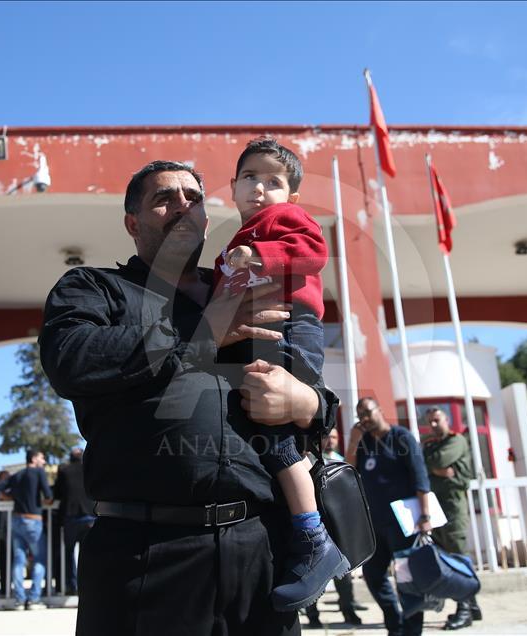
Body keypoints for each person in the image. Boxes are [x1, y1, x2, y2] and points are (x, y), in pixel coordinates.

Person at [39, 159, 339, 635]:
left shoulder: (244, 285)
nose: (182, 205)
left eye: (192, 197)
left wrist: (307, 405)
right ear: (132, 223)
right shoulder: (95, 287)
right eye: (164, 198)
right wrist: (201, 332)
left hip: (260, 554)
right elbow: (72, 359)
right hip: (143, 557)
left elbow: (311, 388)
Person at [215, 137, 346, 609]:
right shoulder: (235, 240)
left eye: (273, 181)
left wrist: (258, 258)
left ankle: (315, 538)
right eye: (250, 178)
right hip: (258, 330)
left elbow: (313, 254)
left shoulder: (281, 221)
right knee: (265, 425)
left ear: (290, 196)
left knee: (277, 428)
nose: (259, 188)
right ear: (232, 187)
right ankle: (305, 534)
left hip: (292, 326)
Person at [346, 397, 431, 636]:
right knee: (373, 575)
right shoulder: (364, 444)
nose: (363, 418)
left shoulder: (401, 437)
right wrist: (353, 441)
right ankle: (395, 623)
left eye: (367, 411)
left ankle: (412, 630)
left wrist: (425, 516)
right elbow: (350, 470)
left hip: (405, 521)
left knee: (407, 579)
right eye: (359, 413)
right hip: (375, 523)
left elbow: (420, 477)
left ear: (380, 410)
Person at [422, 407, 480, 630]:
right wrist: (436, 468)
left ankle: (464, 609)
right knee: (445, 555)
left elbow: (439, 459)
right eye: (430, 422)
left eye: (437, 420)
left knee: (457, 556)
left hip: (454, 505)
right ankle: (473, 607)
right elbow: (427, 462)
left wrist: (433, 465)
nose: (434, 425)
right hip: (437, 506)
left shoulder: (457, 441)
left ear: (447, 420)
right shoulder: (429, 445)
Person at [304, 427, 363, 628]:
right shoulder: (307, 460)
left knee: (343, 572)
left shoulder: (340, 460)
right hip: (315, 522)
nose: (329, 441)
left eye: (334, 437)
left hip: (335, 523)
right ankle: (312, 615)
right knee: (311, 571)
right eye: (325, 437)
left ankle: (348, 610)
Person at [0, 450, 52, 610]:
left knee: (19, 560)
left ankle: (20, 600)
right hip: (33, 520)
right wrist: (46, 500)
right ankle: (34, 599)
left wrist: (9, 497)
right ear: (34, 459)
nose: (44, 460)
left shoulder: (17, 475)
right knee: (40, 558)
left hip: (16, 519)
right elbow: (48, 496)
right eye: (42, 457)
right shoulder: (39, 472)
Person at [52, 448, 94, 596]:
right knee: (89, 552)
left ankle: (72, 584)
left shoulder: (64, 471)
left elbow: (56, 493)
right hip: (90, 515)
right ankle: (89, 584)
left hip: (71, 516)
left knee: (68, 552)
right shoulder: (90, 469)